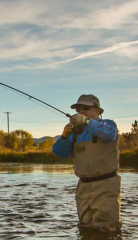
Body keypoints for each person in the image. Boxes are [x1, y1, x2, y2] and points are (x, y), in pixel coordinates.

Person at [52, 94, 121, 231]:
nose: (81, 111)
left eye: (86, 108)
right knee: (85, 227)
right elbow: (60, 153)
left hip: (106, 184)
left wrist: (87, 122)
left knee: (107, 228)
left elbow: (109, 134)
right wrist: (64, 136)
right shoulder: (74, 133)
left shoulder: (108, 124)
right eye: (78, 110)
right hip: (83, 186)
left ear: (98, 111)